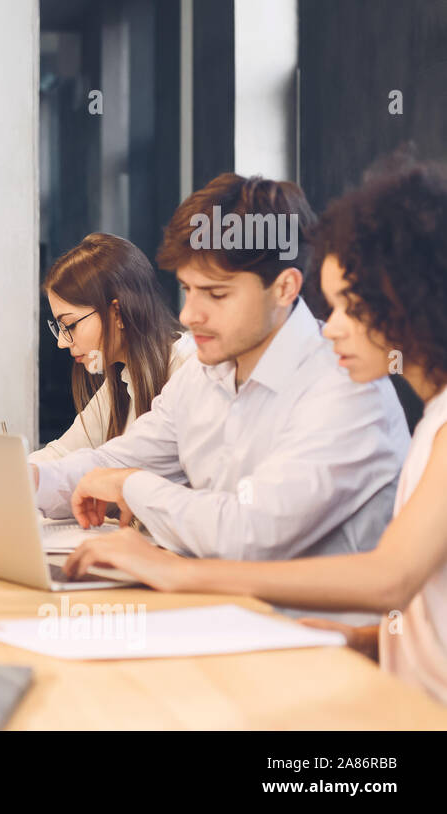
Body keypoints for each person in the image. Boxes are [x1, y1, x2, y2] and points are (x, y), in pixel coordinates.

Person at [64, 161, 447, 702]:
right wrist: (364, 640)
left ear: (414, 304)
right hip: (355, 671)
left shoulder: (389, 404)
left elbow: (389, 578)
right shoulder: (436, 420)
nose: (330, 326)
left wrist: (176, 571)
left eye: (351, 308)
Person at [29, 174, 409, 618]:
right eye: (188, 289)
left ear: (285, 288)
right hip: (219, 619)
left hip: (317, 646)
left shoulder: (344, 386)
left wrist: (132, 484)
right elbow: (115, 461)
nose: (189, 315)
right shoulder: (206, 374)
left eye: (216, 293)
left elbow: (249, 534)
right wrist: (27, 481)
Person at [31, 232, 194, 462]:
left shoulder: (189, 370)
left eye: (69, 325)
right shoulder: (121, 378)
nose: (61, 342)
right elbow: (64, 452)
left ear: (117, 313)